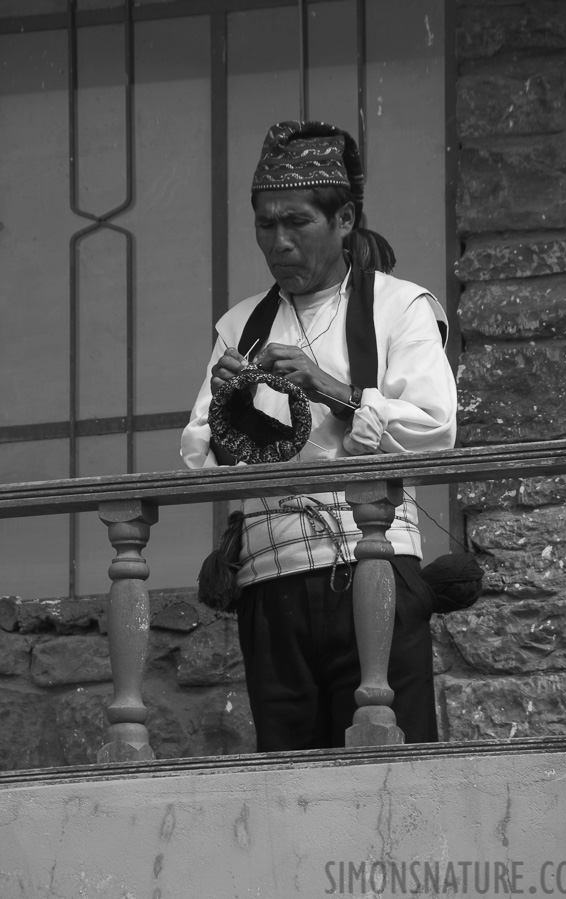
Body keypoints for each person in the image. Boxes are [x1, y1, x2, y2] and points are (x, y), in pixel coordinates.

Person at [181, 121, 457, 752]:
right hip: (270, 582)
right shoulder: (239, 326)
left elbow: (437, 429)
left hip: (376, 568)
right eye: (264, 224)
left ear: (344, 220)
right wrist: (231, 408)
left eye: (296, 222)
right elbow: (201, 460)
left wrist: (331, 388)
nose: (277, 243)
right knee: (289, 780)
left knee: (393, 770)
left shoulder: (401, 307)